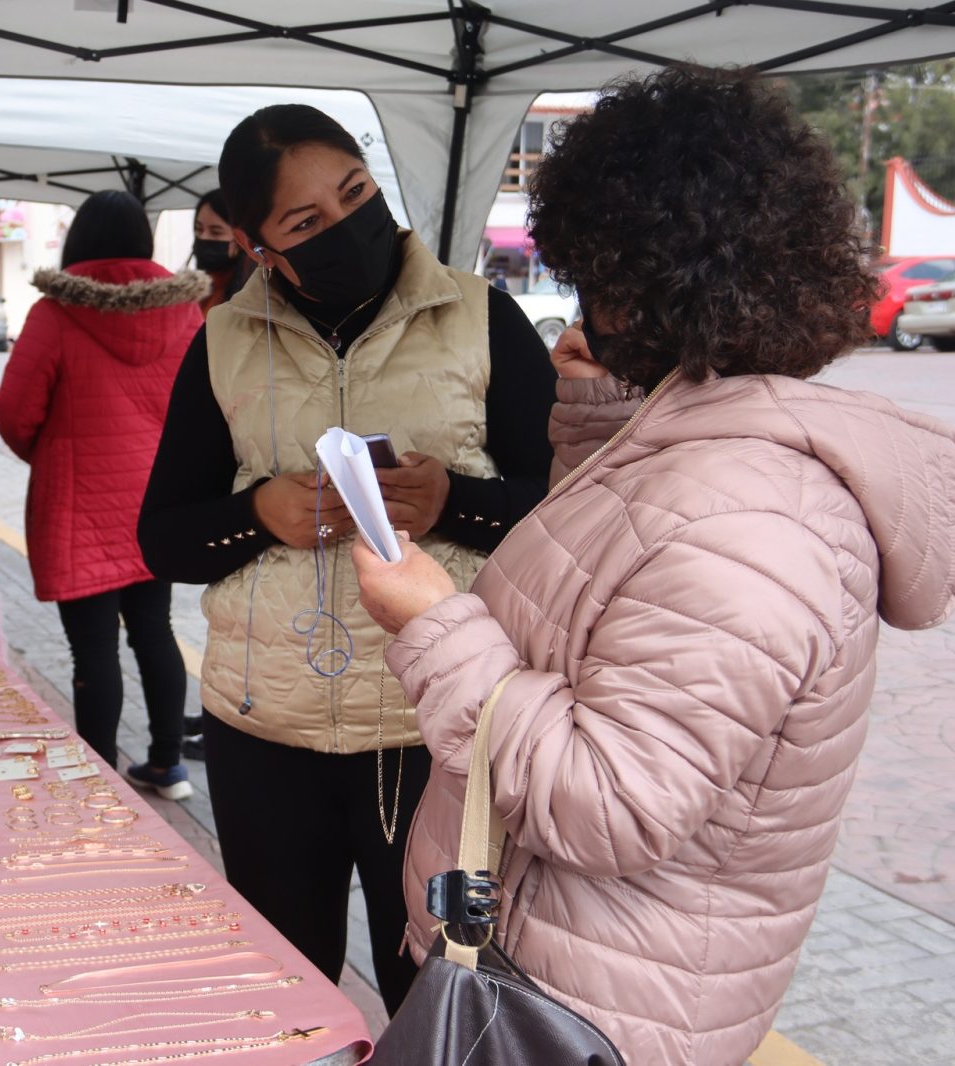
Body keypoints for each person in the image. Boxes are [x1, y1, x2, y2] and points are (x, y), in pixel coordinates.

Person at [352, 66, 955, 1065]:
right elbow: (610, 601)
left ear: (636, 279)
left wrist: (433, 623)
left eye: (596, 273)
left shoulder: (753, 520)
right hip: (562, 964)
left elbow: (612, 802)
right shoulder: (702, 452)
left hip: (583, 1009)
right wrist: (603, 424)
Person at [138, 105, 557, 1013]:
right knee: (286, 996)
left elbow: (573, 517)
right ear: (257, 249)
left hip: (433, 735)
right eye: (306, 222)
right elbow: (163, 537)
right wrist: (258, 514)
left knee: (437, 994)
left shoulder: (483, 317)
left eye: (354, 193)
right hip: (265, 733)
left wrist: (459, 501)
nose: (344, 225)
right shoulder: (220, 343)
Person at [0, 190, 209, 800]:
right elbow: (204, 410)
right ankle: (168, 765)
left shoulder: (56, 313)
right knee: (155, 630)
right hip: (156, 503)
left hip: (78, 502)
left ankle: (99, 779)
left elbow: (15, 411)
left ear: (79, 243)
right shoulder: (184, 313)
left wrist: (54, 450)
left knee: (93, 650)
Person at [192, 189, 253, 315]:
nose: (203, 237)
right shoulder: (197, 288)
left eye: (216, 232)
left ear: (241, 238)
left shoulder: (256, 294)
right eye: (198, 229)